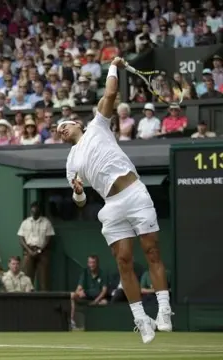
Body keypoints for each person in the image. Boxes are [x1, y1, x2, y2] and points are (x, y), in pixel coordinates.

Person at [57, 57, 171, 344]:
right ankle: (141, 320)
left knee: (152, 252)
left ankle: (164, 310)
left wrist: (112, 66)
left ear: (77, 123)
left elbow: (109, 93)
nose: (61, 130)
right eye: (57, 130)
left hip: (134, 193)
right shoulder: (71, 162)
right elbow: (80, 201)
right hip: (112, 206)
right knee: (123, 261)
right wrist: (79, 192)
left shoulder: (98, 125)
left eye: (64, 125)